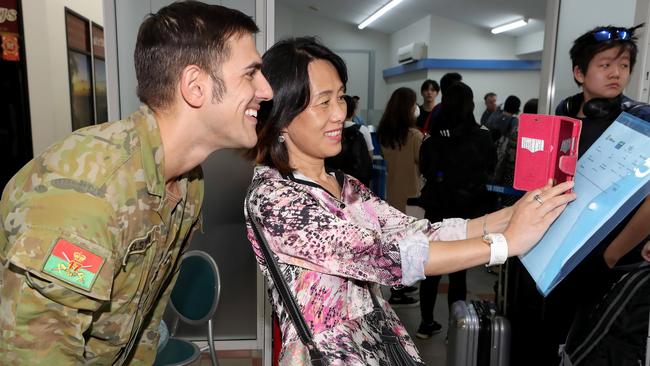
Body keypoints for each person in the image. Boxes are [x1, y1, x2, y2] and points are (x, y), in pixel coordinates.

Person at [245, 36, 575, 366]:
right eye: (323, 102)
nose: (339, 114)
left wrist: (511, 215)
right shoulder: (274, 198)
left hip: (377, 343)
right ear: (283, 117)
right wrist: (504, 243)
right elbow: (383, 256)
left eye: (341, 98)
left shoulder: (344, 184)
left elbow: (417, 233)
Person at [0, 2, 272, 364]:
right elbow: (38, 353)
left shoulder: (188, 183)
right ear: (196, 86)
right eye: (251, 73)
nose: (266, 91)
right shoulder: (89, 193)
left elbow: (145, 319)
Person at [508, 24, 650, 366]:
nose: (617, 73)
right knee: (539, 340)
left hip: (603, 262)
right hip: (550, 253)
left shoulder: (639, 123)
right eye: (605, 65)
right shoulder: (562, 119)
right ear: (579, 72)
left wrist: (612, 255)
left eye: (624, 65)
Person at [416, 81, 497, 339]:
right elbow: (490, 169)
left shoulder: (432, 138)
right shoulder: (482, 136)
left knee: (430, 270)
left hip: (436, 210)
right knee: (458, 273)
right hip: (466, 213)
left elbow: (425, 168)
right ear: (471, 104)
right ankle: (455, 329)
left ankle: (426, 323)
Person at [376, 87, 425, 307]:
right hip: (412, 195)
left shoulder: (385, 133)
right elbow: (421, 163)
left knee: (398, 244)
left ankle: (398, 286)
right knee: (411, 244)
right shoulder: (414, 136)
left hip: (393, 193)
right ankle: (399, 292)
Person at [325, 94, 374, 185]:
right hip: (358, 180)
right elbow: (369, 156)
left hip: (337, 179)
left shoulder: (330, 130)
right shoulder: (362, 130)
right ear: (354, 111)